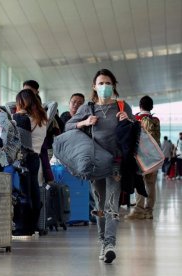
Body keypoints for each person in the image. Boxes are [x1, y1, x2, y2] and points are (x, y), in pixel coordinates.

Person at [65, 68, 134, 264]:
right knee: (99, 205)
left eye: (108, 83)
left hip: (116, 163)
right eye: (101, 83)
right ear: (94, 86)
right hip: (95, 164)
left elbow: (133, 131)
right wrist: (84, 122)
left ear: (114, 86)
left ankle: (111, 244)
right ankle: (103, 241)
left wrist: (127, 121)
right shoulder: (87, 108)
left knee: (112, 204)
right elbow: (68, 126)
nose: (104, 86)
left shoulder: (122, 106)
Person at [12, 89, 48, 234]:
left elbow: (21, 142)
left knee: (24, 193)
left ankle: (23, 227)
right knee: (34, 192)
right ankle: (32, 226)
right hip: (35, 158)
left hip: (24, 158)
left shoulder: (22, 118)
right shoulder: (42, 117)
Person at [125, 95, 160, 220]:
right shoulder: (156, 120)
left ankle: (139, 210)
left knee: (139, 183)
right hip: (154, 158)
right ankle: (149, 211)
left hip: (140, 158)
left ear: (140, 105)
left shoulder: (136, 119)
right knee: (151, 185)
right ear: (151, 107)